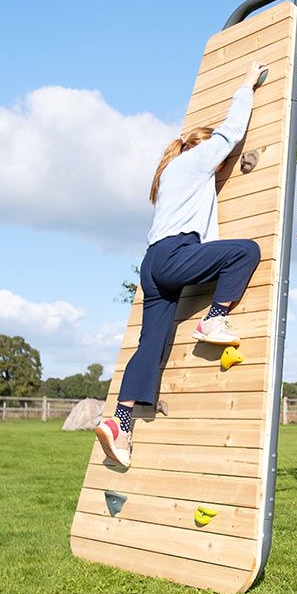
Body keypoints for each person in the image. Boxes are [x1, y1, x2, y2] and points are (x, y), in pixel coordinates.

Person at [95, 61, 268, 468]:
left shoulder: (172, 174)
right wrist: (246, 85)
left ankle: (120, 424)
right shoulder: (193, 159)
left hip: (152, 264)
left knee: (150, 345)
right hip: (175, 254)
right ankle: (215, 318)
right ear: (201, 148)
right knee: (245, 252)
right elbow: (229, 132)